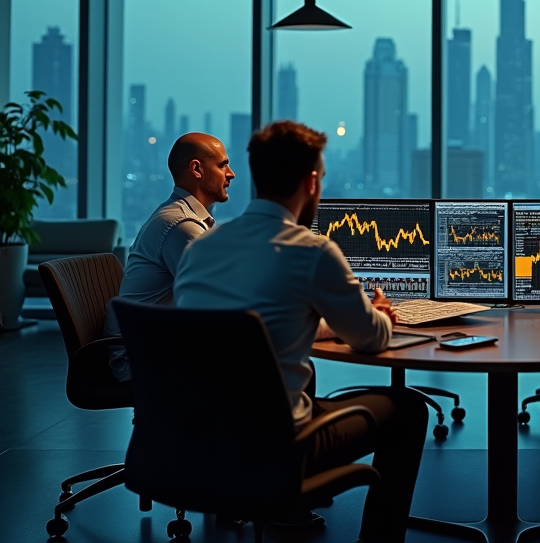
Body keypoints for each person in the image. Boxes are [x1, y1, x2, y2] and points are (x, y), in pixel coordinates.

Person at [173, 121, 426, 542]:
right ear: (311, 182)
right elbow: (371, 338)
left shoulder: (201, 249)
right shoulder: (311, 250)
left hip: (200, 439)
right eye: (322, 180)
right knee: (409, 409)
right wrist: (378, 312)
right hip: (277, 444)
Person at [103, 132, 235, 381]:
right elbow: (221, 295)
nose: (231, 174)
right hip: (143, 356)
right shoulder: (180, 224)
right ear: (196, 169)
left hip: (153, 342)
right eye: (223, 165)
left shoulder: (182, 216)